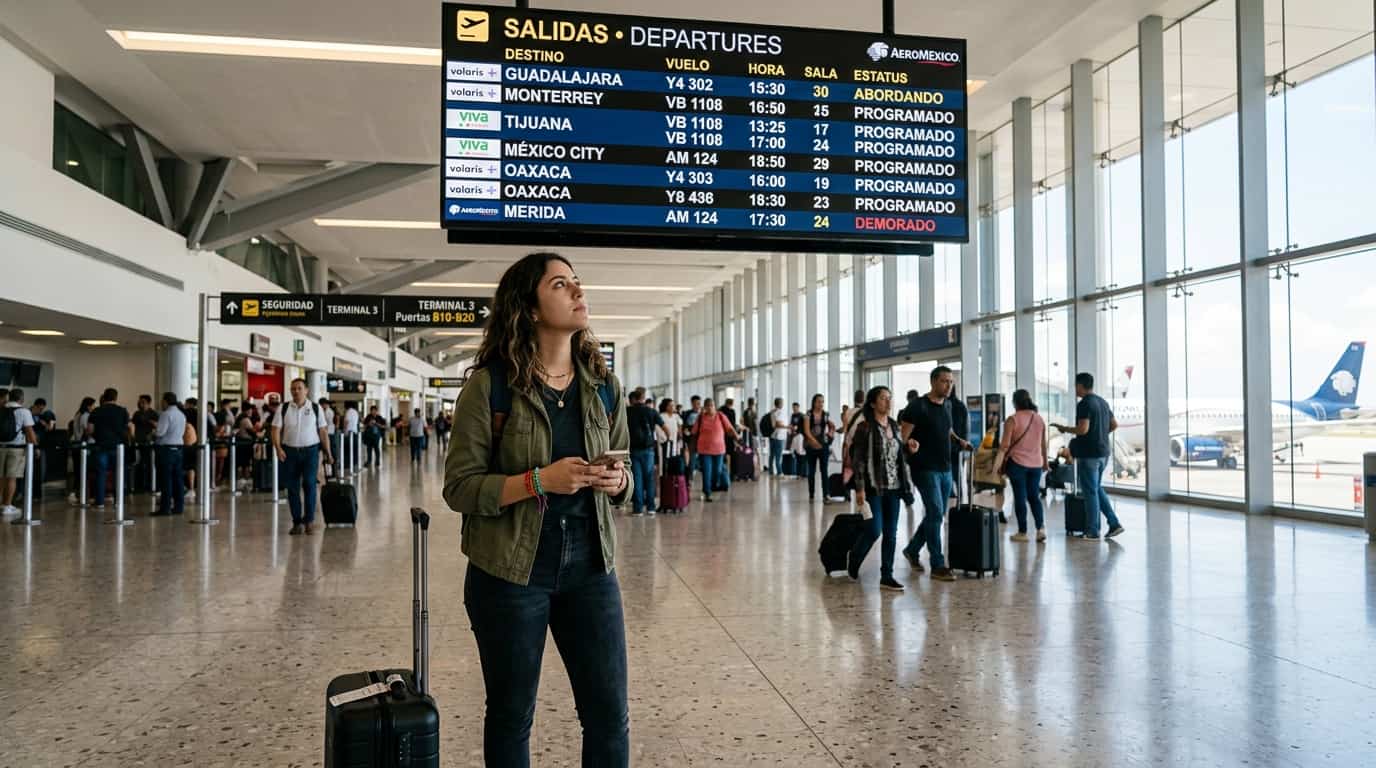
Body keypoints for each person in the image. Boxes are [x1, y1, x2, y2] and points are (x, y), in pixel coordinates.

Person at [441, 251, 631, 767]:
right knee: (511, 714)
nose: (577, 292)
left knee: (609, 714)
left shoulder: (603, 387)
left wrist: (617, 481)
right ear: (528, 307)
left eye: (577, 283)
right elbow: (459, 488)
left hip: (592, 569)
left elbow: (628, 473)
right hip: (509, 573)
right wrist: (538, 481)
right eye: (560, 284)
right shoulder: (490, 387)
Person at [899, 367, 973, 582]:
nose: (948, 385)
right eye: (944, 381)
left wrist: (959, 440)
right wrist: (908, 445)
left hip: (945, 467)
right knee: (936, 511)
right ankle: (938, 564)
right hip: (924, 468)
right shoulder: (917, 406)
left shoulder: (948, 404)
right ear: (933, 382)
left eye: (950, 381)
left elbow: (947, 429)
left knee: (936, 514)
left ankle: (912, 550)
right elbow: (902, 437)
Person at [847, 386, 913, 592]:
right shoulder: (865, 427)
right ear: (873, 403)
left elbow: (898, 455)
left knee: (891, 533)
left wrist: (908, 448)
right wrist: (859, 489)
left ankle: (887, 575)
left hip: (894, 487)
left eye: (890, 398)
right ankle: (855, 556)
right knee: (874, 529)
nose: (888, 402)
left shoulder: (894, 425)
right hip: (873, 486)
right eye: (883, 398)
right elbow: (857, 460)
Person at [1055, 373, 1125, 540]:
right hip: (1103, 453)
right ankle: (1114, 523)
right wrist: (1100, 434)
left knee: (1090, 492)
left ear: (1080, 385)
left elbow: (1083, 429)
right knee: (1096, 488)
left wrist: (1065, 429)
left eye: (1075, 385)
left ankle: (1092, 531)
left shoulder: (1084, 404)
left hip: (1089, 455)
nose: (1075, 389)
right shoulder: (1102, 402)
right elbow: (1114, 425)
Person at [272, 378, 332, 535]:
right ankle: (297, 522)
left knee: (310, 484)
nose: (296, 391)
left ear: (306, 390)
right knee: (292, 488)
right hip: (289, 452)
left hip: (310, 452)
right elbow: (275, 430)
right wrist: (278, 448)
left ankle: (309, 520)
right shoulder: (283, 408)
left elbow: (323, 431)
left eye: (299, 388)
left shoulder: (315, 408)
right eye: (293, 389)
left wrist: (328, 453)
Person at [1003, 389, 1049, 542]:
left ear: (1015, 402)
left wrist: (998, 463)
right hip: (1036, 464)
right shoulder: (1039, 419)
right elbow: (1043, 445)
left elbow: (1005, 445)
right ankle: (1040, 528)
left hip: (1017, 463)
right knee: (1034, 497)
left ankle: (1022, 532)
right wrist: (1045, 463)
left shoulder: (1013, 419)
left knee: (1020, 497)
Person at [87, 388, 131, 510]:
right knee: (118, 474)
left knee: (101, 474)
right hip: (118, 447)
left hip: (101, 446)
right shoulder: (122, 411)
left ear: (104, 397)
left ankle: (100, 502)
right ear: (116, 398)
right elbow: (128, 429)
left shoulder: (96, 411)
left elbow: (90, 430)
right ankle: (118, 502)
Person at [626, 388, 667, 516]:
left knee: (637, 479)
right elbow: (665, 428)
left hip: (633, 449)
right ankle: (651, 507)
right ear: (644, 397)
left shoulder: (628, 411)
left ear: (634, 398)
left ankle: (638, 509)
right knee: (649, 478)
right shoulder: (651, 411)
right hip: (648, 449)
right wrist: (667, 440)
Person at [691, 398, 739, 502]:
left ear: (715, 406)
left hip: (719, 449)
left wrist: (737, 436)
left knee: (717, 470)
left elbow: (730, 428)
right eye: (707, 406)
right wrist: (692, 448)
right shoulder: (700, 418)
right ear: (704, 407)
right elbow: (694, 433)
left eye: (711, 405)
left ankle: (712, 486)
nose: (710, 408)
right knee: (707, 471)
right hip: (704, 449)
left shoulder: (721, 416)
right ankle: (707, 492)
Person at [1, 388, 38, 517]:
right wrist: (35, 447)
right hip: (16, 448)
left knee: (1, 477)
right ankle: (7, 506)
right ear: (21, 399)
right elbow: (29, 431)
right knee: (12, 477)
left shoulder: (1, 409)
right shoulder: (24, 411)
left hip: (1, 447)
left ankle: (1, 503)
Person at [152, 393, 187, 517]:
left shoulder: (166, 414)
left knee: (166, 479)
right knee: (178, 479)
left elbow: (160, 432)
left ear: (166, 401)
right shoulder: (181, 415)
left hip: (166, 450)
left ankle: (165, 508)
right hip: (178, 449)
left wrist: (153, 431)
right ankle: (179, 507)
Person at [802, 394, 836, 503]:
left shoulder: (825, 414)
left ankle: (826, 495)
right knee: (811, 471)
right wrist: (814, 442)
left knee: (824, 471)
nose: (821, 404)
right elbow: (806, 431)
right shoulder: (808, 414)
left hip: (823, 446)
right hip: (810, 446)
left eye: (822, 402)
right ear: (814, 402)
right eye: (819, 402)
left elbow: (831, 426)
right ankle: (811, 494)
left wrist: (831, 432)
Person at [681, 395, 701, 483]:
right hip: (692, 440)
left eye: (699, 403)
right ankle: (690, 477)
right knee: (692, 458)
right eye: (696, 403)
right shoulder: (687, 414)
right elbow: (684, 427)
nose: (698, 405)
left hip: (702, 439)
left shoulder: (703, 414)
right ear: (692, 404)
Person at [768, 398, 789, 475]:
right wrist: (788, 427)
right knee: (778, 456)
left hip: (772, 436)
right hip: (779, 436)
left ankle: (771, 471)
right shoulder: (779, 412)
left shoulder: (772, 412)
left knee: (772, 455)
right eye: (782, 402)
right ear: (780, 404)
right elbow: (778, 424)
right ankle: (779, 472)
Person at [320, 398, 339, 478]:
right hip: (328, 434)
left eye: (321, 404)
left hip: (330, 435)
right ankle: (329, 473)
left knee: (331, 454)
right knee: (327, 454)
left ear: (324, 404)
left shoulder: (329, 412)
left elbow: (325, 424)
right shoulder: (326, 411)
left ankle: (333, 473)